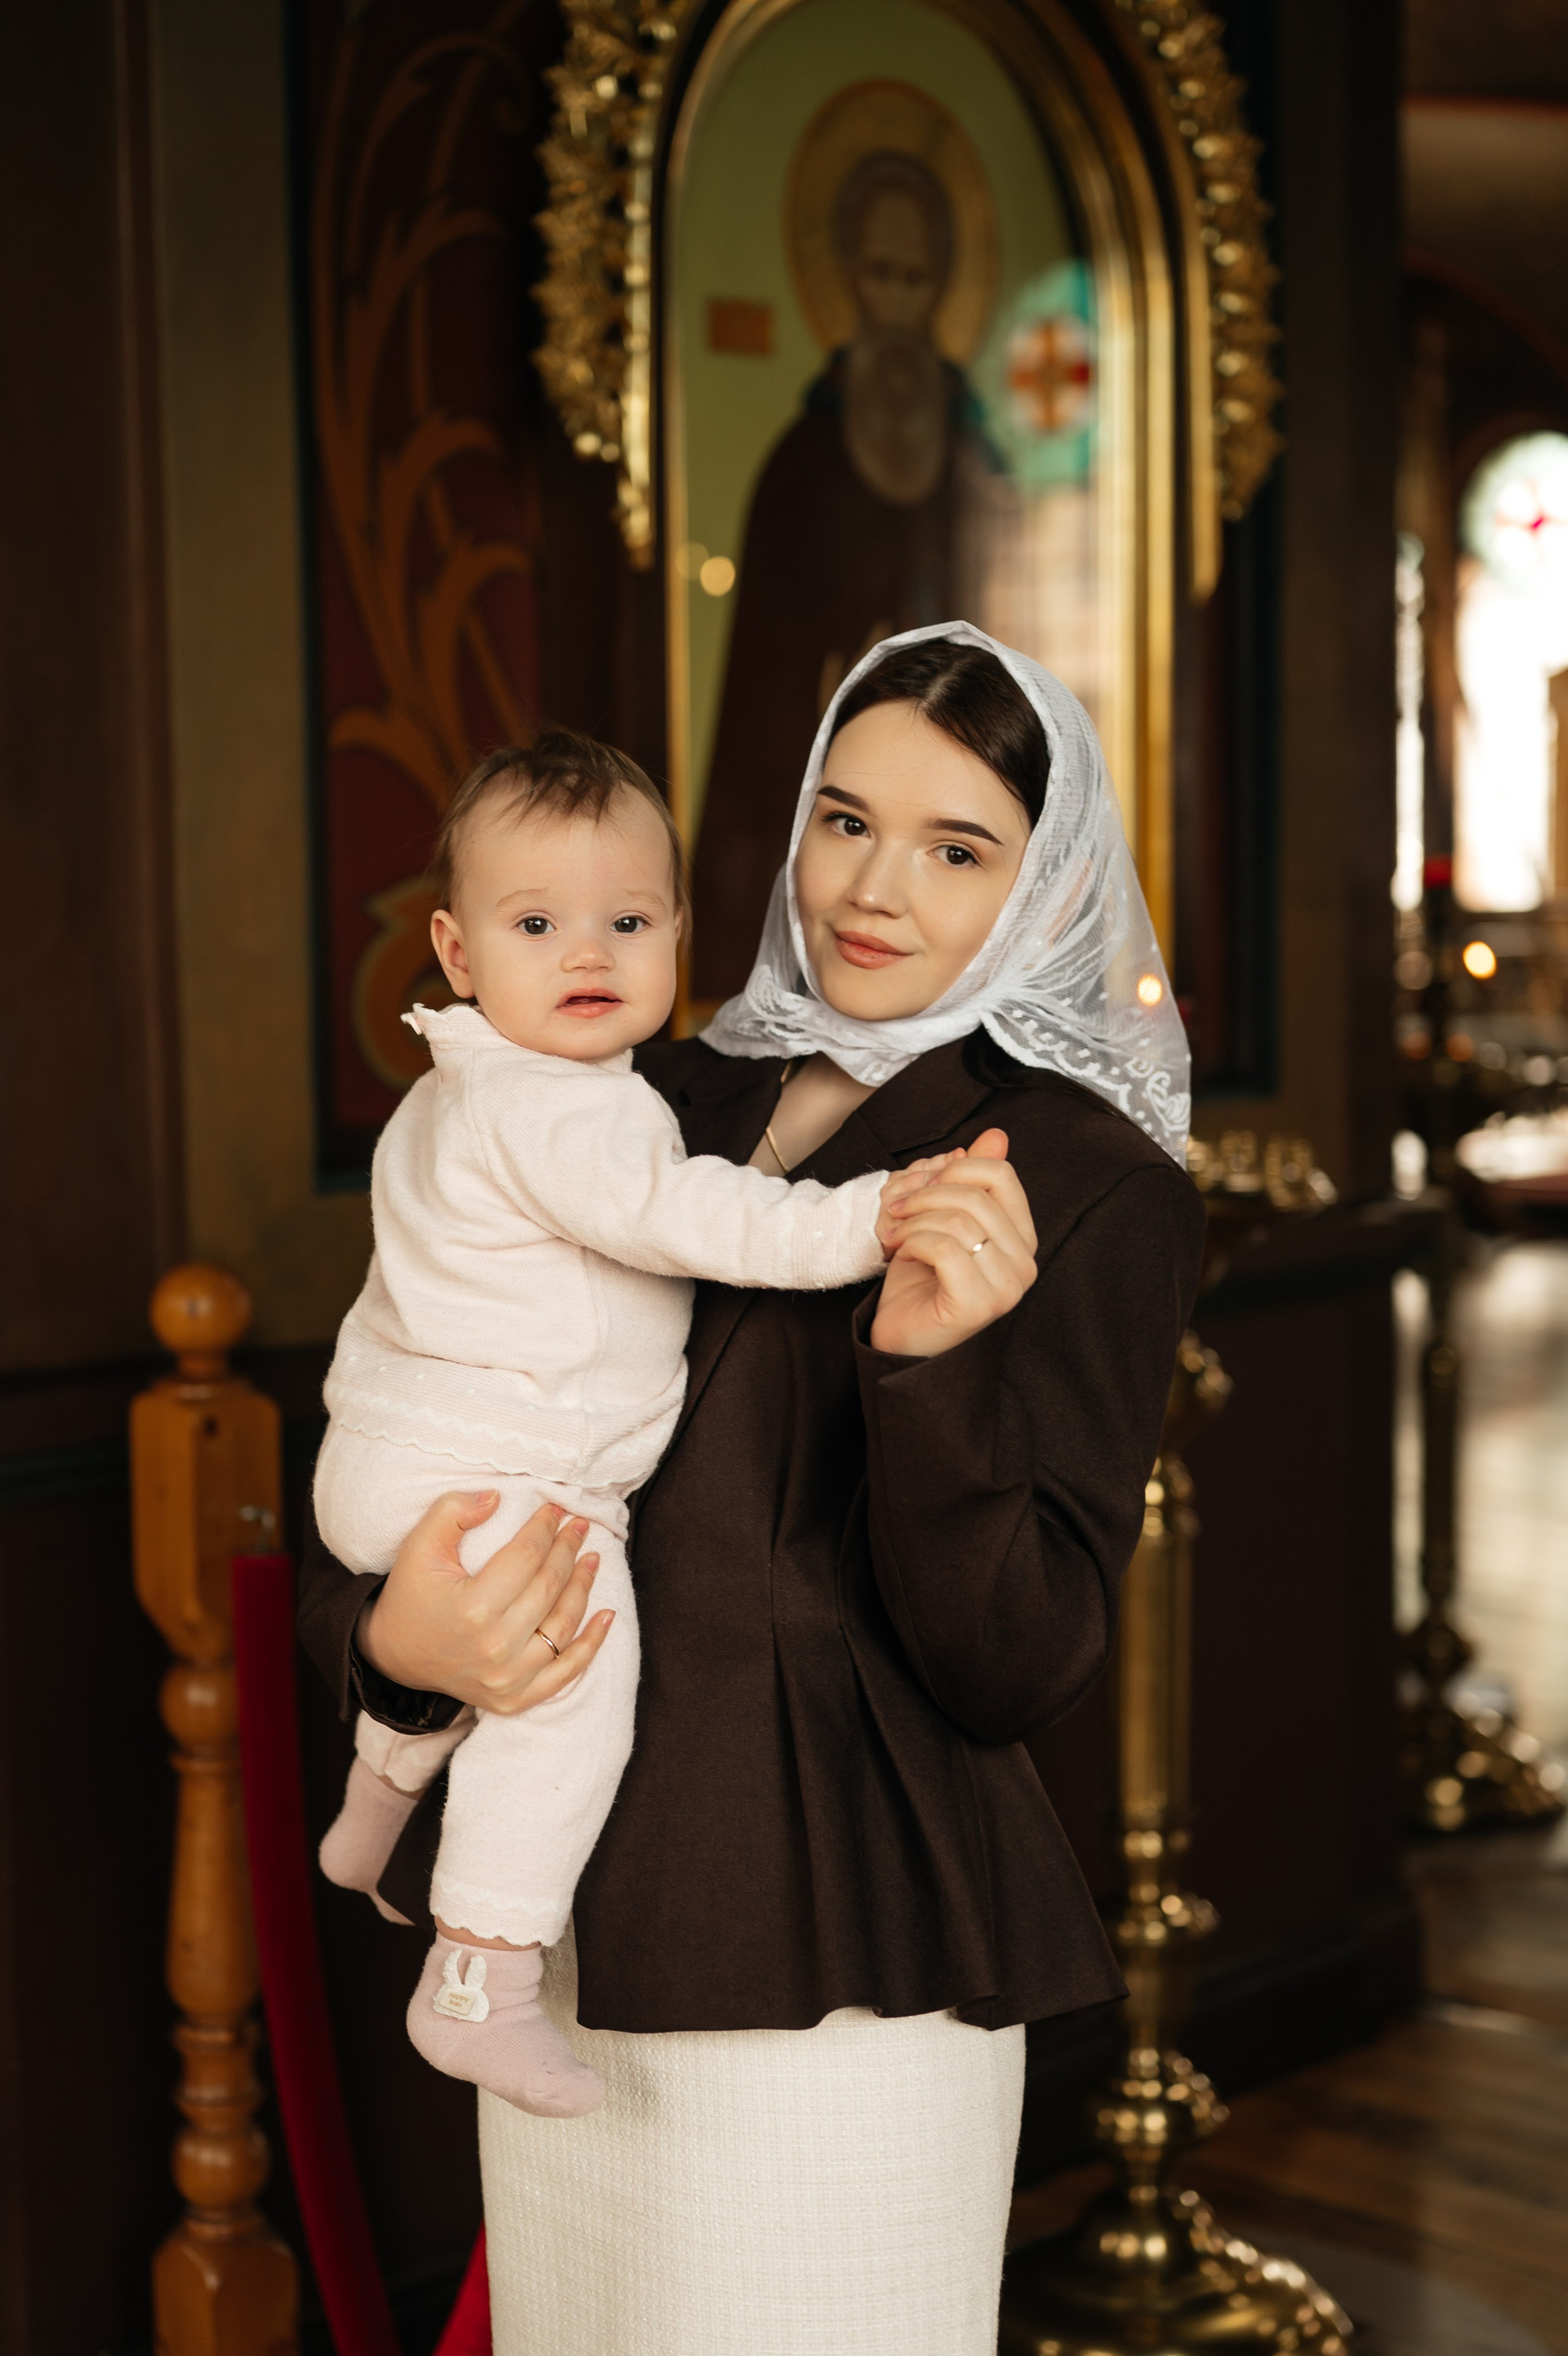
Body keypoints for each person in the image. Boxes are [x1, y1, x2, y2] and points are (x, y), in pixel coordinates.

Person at [298, 622, 1205, 2354]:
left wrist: (930, 1374)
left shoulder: (1088, 1181)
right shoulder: (634, 1077)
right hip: (555, 1927)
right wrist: (400, 1647)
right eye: (844, 819)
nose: (873, 885)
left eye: (957, 847)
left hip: (830, 1941)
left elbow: (1018, 1658)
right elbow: (432, 1393)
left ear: (1050, 882)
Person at [311, 728, 942, 2117]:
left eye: (629, 922)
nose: (587, 953)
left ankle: (374, 1809)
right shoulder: (570, 1112)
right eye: (537, 925)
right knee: (572, 1685)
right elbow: (695, 1216)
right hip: (505, 1471)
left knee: (489, 1657)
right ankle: (477, 1980)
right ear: (456, 950)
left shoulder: (453, 1087)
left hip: (394, 1462)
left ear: (680, 933)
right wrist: (870, 1219)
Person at [690, 152, 1005, 1003]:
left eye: (916, 278)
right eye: (879, 275)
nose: (897, 303)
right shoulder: (802, 464)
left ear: (944, 284)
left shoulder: (979, 464)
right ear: (848, 279)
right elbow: (762, 701)